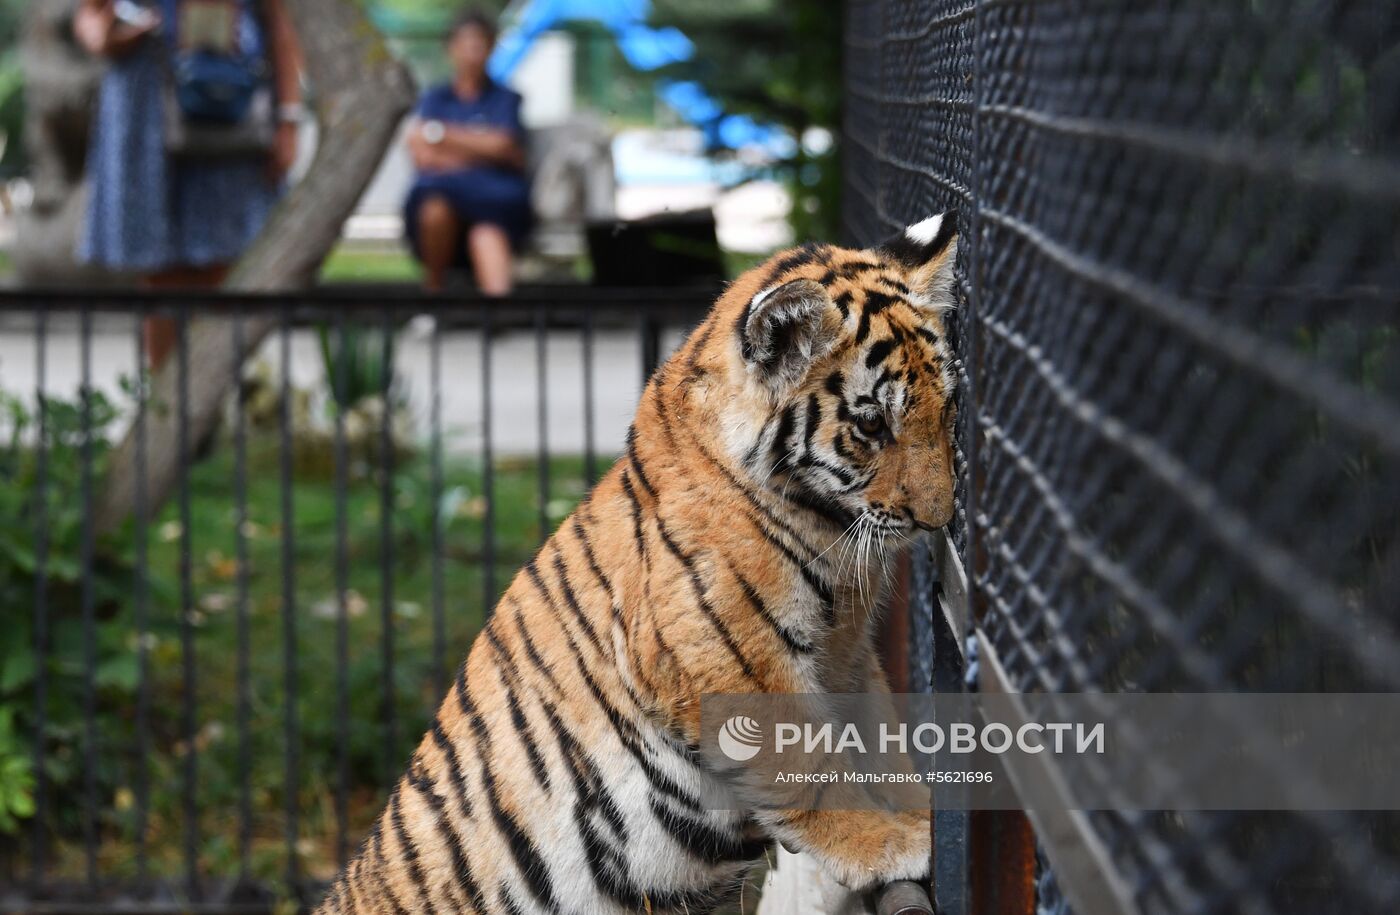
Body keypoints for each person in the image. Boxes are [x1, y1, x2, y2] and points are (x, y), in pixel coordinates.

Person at [74, 0, 302, 369]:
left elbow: (280, 21)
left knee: (227, 265)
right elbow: (89, 14)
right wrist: (103, 38)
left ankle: (221, 399)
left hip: (229, 98)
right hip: (146, 106)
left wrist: (290, 118)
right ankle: (169, 405)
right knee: (161, 271)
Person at [403, 9, 530, 295]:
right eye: (466, 43)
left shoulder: (505, 98)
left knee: (488, 232)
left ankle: (495, 321)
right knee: (434, 210)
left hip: (494, 201)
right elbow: (423, 155)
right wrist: (481, 149)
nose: (473, 52)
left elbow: (503, 145)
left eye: (480, 43)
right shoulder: (435, 98)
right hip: (447, 199)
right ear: (451, 48)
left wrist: (443, 135)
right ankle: (432, 299)